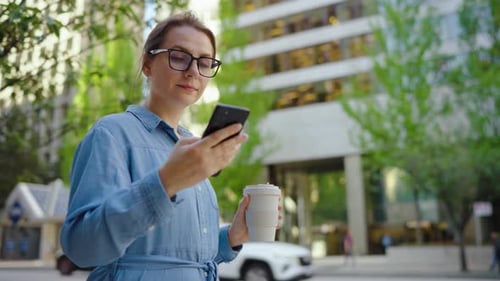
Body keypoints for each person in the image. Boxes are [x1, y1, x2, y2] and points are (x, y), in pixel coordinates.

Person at [60, 11, 255, 281]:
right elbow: (82, 248)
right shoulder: (111, 133)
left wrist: (233, 235)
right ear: (147, 65)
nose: (193, 71)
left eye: (205, 62)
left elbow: (179, 253)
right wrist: (164, 183)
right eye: (178, 56)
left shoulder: (192, 147)